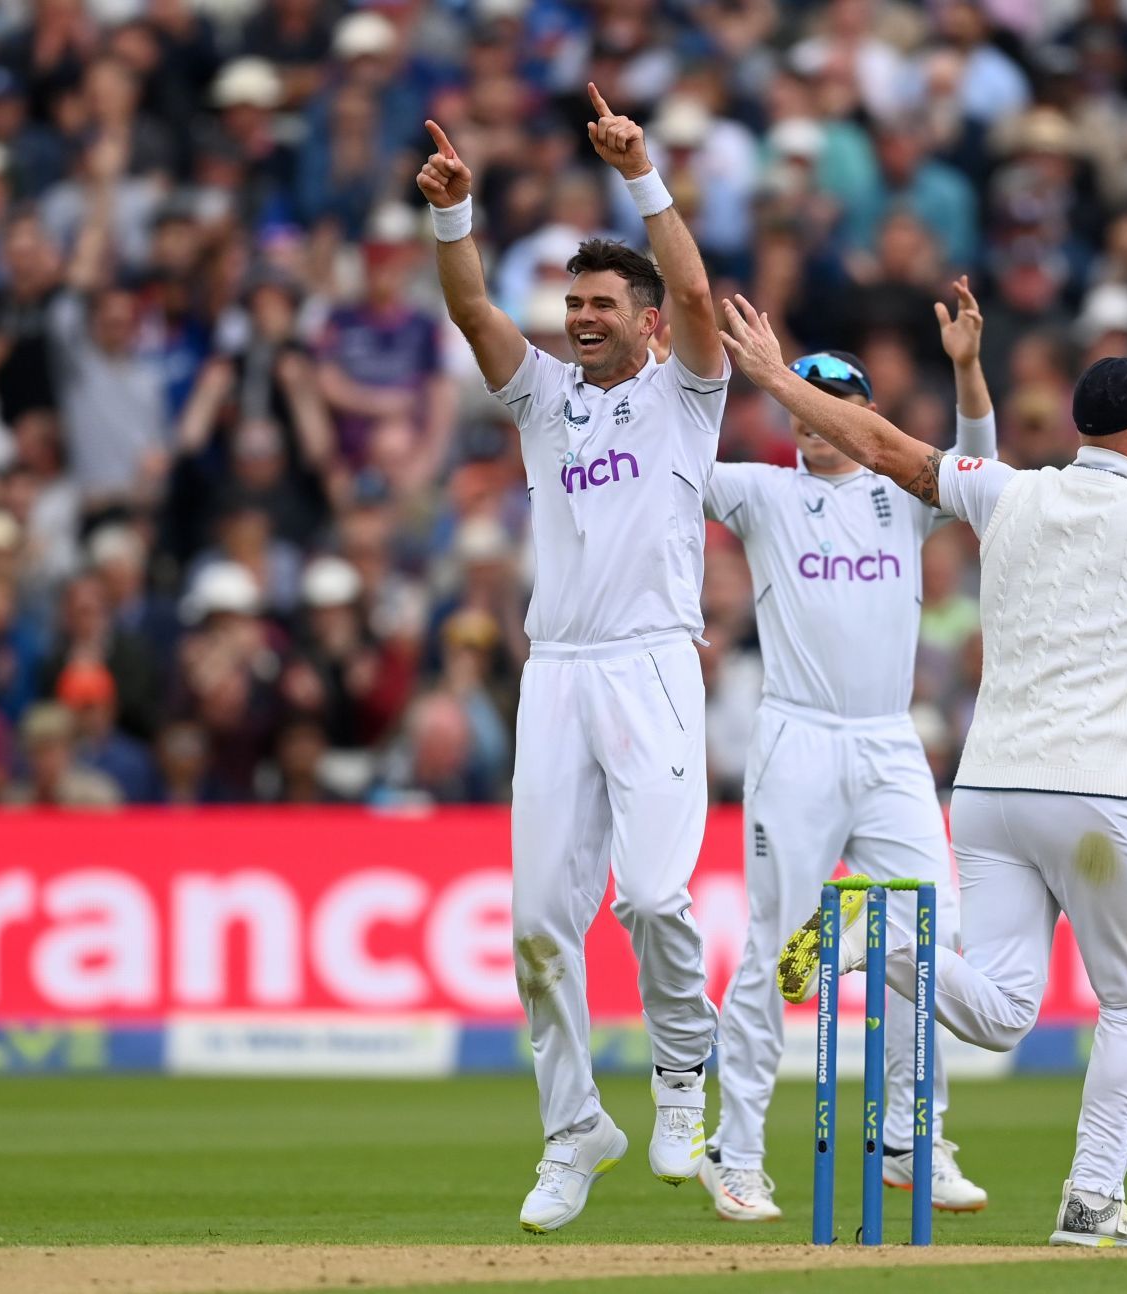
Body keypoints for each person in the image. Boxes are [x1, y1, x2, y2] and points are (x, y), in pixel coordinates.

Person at [720, 294, 1127, 1248]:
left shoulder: (1005, 490)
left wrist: (777, 381)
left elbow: (884, 447)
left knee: (1000, 1011)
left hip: (986, 795)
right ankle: (1089, 1200)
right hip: (1095, 800)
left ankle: (880, 930)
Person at [416, 87, 728, 1235]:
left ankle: (681, 1079)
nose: (581, 316)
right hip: (554, 669)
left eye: (603, 302)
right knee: (541, 923)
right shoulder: (544, 399)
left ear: (643, 320)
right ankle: (572, 1129)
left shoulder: (686, 397)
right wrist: (455, 217)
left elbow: (695, 288)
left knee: (652, 895)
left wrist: (642, 174)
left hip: (649, 662)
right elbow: (471, 311)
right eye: (575, 301)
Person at [698, 279, 996, 1223]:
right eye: (800, 399)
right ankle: (734, 1151)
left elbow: (980, 470)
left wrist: (967, 370)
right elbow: (669, 468)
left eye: (833, 400)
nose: (813, 418)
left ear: (863, 417)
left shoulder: (901, 498)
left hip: (888, 742)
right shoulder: (761, 492)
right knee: (778, 951)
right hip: (796, 740)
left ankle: (914, 1139)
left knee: (931, 936)